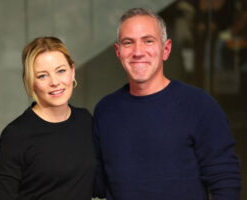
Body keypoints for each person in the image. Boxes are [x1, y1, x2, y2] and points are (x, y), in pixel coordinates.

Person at [93, 8, 241, 200]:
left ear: (166, 49)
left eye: (148, 41)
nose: (138, 52)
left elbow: (226, 182)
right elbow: (95, 183)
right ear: (118, 51)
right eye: (128, 43)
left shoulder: (200, 106)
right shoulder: (105, 110)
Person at [0, 36, 96, 200]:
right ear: (31, 82)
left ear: (72, 71)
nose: (54, 82)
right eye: (42, 76)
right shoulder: (16, 136)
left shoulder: (86, 121)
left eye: (61, 71)